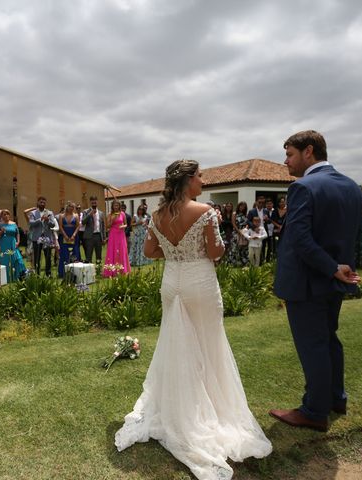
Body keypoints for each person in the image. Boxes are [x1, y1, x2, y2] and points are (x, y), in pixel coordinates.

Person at [115, 159, 272, 478]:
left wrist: (173, 251)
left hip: (172, 283)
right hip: (199, 282)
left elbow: (149, 252)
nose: (203, 180)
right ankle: (207, 412)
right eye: (200, 176)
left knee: (175, 345)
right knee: (208, 343)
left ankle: (178, 409)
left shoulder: (157, 216)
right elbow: (216, 253)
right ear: (187, 180)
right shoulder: (205, 212)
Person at [271, 130, 362, 433]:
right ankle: (337, 398)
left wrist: (330, 267)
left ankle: (314, 410)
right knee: (329, 340)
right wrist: (342, 269)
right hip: (334, 280)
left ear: (308, 151)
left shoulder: (303, 187)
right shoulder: (352, 187)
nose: (286, 161)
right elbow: (351, 234)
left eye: (289, 154)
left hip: (308, 282)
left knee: (313, 346)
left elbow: (299, 238)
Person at [28, 197, 55, 276]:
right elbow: (31, 223)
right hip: (36, 238)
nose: (42, 204)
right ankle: (37, 274)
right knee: (37, 257)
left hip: (47, 237)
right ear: (37, 203)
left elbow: (53, 224)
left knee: (48, 257)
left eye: (44, 202)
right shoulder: (33, 213)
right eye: (41, 202)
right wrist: (40, 219)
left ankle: (48, 273)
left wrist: (48, 220)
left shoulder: (50, 212)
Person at [0, 209, 27, 282]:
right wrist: (1, 231)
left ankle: (19, 276)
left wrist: (18, 241)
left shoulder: (13, 223)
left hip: (13, 243)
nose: (6, 215)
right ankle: (6, 278)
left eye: (7, 214)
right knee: (5, 260)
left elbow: (17, 233)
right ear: (1, 216)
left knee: (18, 259)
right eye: (4, 214)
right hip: (4, 244)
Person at [103, 200, 130, 277]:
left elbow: (126, 224)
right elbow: (107, 226)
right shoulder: (110, 214)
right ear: (112, 206)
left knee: (122, 250)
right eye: (115, 205)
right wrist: (113, 219)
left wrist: (123, 226)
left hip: (121, 235)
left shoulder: (122, 214)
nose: (116, 207)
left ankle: (123, 270)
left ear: (119, 206)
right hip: (113, 235)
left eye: (117, 205)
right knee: (113, 251)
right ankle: (111, 271)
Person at [58, 202, 82, 278]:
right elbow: (60, 227)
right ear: (67, 207)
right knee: (64, 253)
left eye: (73, 207)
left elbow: (78, 226)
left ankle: (76, 272)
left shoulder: (76, 215)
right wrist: (65, 235)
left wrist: (74, 235)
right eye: (70, 206)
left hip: (73, 236)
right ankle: (63, 272)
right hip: (64, 236)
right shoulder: (61, 216)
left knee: (75, 253)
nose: (71, 208)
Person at [81, 196, 106, 265]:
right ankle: (89, 273)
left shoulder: (101, 213)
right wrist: (89, 214)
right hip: (89, 237)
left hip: (98, 236)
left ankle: (98, 271)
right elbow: (83, 222)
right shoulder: (85, 212)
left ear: (97, 202)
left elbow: (103, 226)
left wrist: (104, 237)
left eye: (95, 201)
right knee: (88, 255)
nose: (94, 203)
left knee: (99, 255)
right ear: (90, 202)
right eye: (92, 202)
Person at [228, 201, 249, 266]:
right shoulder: (234, 213)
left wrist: (245, 229)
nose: (242, 207)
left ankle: (243, 262)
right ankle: (232, 262)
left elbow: (247, 223)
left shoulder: (245, 214)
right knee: (234, 247)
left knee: (243, 247)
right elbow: (233, 224)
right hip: (236, 232)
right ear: (238, 206)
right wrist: (239, 231)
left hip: (244, 233)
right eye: (241, 206)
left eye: (244, 206)